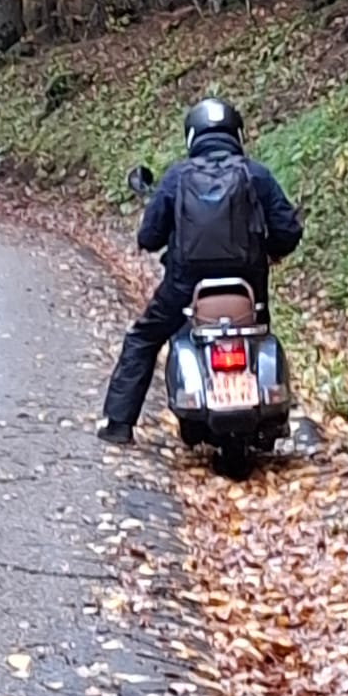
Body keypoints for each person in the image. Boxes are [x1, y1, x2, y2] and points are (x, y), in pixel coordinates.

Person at [98, 98, 303, 446]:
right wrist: (270, 252)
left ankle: (118, 424)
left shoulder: (177, 177)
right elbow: (288, 230)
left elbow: (149, 236)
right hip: (247, 286)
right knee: (257, 335)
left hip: (184, 286)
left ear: (192, 136)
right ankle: (270, 423)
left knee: (143, 339)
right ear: (237, 134)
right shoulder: (256, 175)